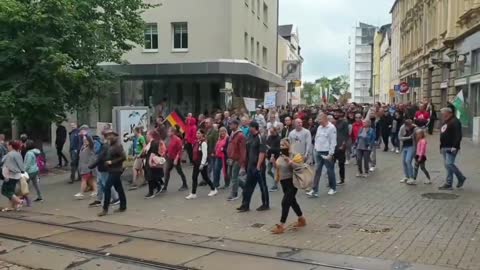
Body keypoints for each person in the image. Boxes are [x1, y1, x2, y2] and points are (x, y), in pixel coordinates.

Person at [271, 139, 306, 234]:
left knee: (285, 202)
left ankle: (281, 225)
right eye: (280, 145)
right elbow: (278, 168)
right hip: (283, 183)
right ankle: (301, 219)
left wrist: (290, 162)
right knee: (292, 201)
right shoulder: (280, 156)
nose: (281, 147)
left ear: (288, 146)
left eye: (283, 145)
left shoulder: (293, 155)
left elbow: (299, 167)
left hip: (292, 182)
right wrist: (274, 162)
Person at [237, 121, 269, 212]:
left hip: (258, 167)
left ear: (254, 127)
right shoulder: (250, 137)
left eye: (250, 127)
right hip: (250, 166)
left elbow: (262, 152)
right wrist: (244, 165)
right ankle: (245, 205)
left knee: (263, 186)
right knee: (247, 186)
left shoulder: (261, 137)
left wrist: (258, 166)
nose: (248, 128)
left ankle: (265, 204)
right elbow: (247, 151)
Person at [98, 130, 127, 216]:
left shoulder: (117, 146)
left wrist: (112, 162)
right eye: (108, 135)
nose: (109, 137)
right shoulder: (110, 146)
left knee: (107, 187)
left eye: (111, 135)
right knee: (119, 188)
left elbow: (123, 157)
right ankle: (123, 206)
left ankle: (105, 209)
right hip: (112, 170)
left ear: (115, 136)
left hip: (116, 170)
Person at [308, 113, 337, 197]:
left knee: (329, 170)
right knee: (317, 171)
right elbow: (317, 138)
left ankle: (333, 188)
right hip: (318, 151)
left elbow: (333, 142)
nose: (319, 122)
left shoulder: (331, 128)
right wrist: (316, 149)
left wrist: (331, 153)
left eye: (320, 120)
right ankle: (314, 190)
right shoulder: (319, 127)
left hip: (327, 152)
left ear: (325, 119)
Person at [88, 130, 119, 208]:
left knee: (106, 184)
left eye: (102, 135)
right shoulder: (106, 145)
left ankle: (116, 198)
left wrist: (92, 165)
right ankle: (99, 199)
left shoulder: (105, 146)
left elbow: (100, 157)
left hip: (104, 167)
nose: (100, 136)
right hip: (103, 167)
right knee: (100, 183)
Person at [438, 107, 466, 190]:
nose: (442, 115)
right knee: (447, 166)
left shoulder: (455, 121)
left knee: (449, 164)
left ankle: (461, 177)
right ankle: (448, 183)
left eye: (444, 113)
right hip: (444, 146)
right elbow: (443, 133)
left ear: (449, 113)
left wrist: (455, 146)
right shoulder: (445, 121)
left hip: (451, 147)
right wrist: (441, 146)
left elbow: (458, 135)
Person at [186, 130, 218, 200]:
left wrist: (202, 164)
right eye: (197, 133)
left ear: (202, 134)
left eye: (199, 133)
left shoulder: (203, 143)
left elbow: (204, 155)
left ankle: (193, 193)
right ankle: (213, 189)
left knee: (195, 177)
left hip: (200, 163)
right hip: (196, 163)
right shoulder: (197, 142)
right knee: (204, 177)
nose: (197, 134)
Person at [226, 120, 247, 201]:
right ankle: (245, 186)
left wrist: (242, 164)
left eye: (230, 124)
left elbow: (243, 150)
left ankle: (234, 193)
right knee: (230, 175)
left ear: (235, 125)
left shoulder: (240, 135)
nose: (229, 126)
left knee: (234, 177)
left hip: (237, 159)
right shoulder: (232, 134)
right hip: (231, 158)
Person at [163, 127, 189, 192]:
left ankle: (185, 185)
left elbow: (180, 150)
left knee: (180, 171)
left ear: (173, 132)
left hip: (175, 159)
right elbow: (168, 147)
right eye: (168, 132)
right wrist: (165, 153)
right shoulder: (169, 139)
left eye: (169, 131)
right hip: (169, 158)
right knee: (167, 171)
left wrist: (176, 159)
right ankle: (165, 187)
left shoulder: (177, 139)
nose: (168, 133)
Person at [1, 141, 25, 211]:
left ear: (11, 146)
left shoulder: (10, 155)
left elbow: (8, 166)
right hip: (17, 175)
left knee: (5, 191)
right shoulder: (18, 154)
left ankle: (19, 201)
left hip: (10, 176)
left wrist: (6, 176)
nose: (7, 147)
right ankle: (12, 206)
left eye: (8, 145)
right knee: (11, 191)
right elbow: (21, 165)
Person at [144, 130, 166, 199]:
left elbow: (152, 153)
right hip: (152, 161)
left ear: (150, 135)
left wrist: (149, 162)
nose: (146, 136)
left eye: (147, 135)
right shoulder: (153, 142)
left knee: (150, 177)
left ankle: (151, 192)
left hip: (151, 161)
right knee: (153, 176)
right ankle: (157, 187)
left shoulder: (153, 143)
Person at [333, 111, 349, 185]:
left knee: (341, 164)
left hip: (340, 146)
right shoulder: (333, 123)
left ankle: (342, 179)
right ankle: (331, 179)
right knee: (331, 164)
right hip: (333, 146)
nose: (336, 114)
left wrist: (343, 145)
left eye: (337, 113)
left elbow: (346, 135)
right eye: (335, 113)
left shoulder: (344, 122)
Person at [399, 119, 416, 183]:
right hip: (404, 146)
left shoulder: (415, 128)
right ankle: (406, 176)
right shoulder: (402, 128)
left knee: (408, 160)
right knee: (404, 162)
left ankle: (412, 177)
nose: (409, 127)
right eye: (408, 126)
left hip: (411, 146)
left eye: (410, 125)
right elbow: (400, 137)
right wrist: (408, 137)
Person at [266, 126, 281, 192]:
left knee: (275, 171)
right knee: (269, 171)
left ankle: (275, 185)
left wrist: (270, 148)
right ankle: (277, 179)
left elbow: (278, 149)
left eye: (272, 132)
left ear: (275, 131)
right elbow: (267, 144)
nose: (271, 133)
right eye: (270, 132)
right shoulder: (269, 137)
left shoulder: (278, 138)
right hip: (270, 157)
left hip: (276, 157)